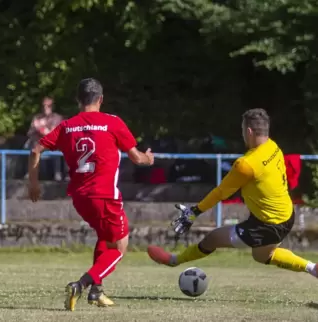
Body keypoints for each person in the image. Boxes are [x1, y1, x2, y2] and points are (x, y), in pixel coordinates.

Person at [27, 78, 155, 311]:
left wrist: (33, 184)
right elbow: (136, 158)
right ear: (101, 99)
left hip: (80, 197)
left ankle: (97, 292)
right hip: (104, 195)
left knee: (105, 238)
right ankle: (81, 285)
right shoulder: (112, 122)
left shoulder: (67, 126)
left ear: (78, 100)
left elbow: (36, 149)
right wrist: (149, 158)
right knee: (119, 246)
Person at [148, 108, 318, 279]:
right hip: (286, 215)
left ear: (249, 131)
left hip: (267, 225)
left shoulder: (246, 164)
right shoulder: (274, 148)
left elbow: (221, 192)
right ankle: (313, 268)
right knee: (262, 256)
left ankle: (174, 260)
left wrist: (194, 212)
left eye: (243, 131)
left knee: (212, 239)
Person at [25, 96, 67, 181]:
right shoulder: (37, 117)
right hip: (38, 144)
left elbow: (53, 134)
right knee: (28, 146)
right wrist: (39, 130)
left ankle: (57, 173)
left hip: (52, 145)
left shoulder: (57, 118)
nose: (45, 108)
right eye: (44, 106)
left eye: (48, 106)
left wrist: (40, 128)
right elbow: (29, 133)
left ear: (52, 107)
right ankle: (31, 172)